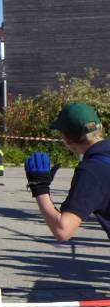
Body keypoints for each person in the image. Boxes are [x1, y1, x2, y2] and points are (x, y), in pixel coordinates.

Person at [25, 102, 110, 241]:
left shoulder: (92, 171)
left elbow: (62, 230)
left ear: (67, 139)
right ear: (99, 127)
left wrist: (39, 188)